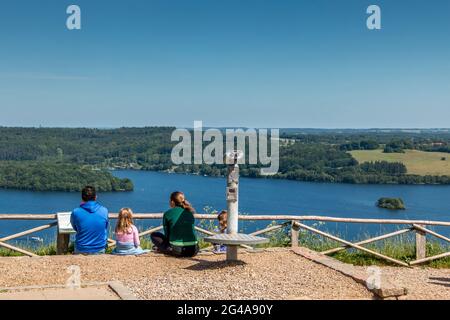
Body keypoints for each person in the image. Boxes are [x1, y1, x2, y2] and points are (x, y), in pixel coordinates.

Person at [151, 191, 199, 257]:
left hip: (177, 251)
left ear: (172, 202)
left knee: (154, 235)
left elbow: (167, 234)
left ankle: (161, 249)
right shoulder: (190, 212)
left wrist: (163, 246)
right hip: (194, 250)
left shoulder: (168, 213)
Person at [70, 186, 109, 255]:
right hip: (99, 248)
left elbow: (75, 227)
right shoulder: (104, 210)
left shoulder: (75, 212)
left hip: (81, 248)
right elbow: (105, 227)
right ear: (95, 197)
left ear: (82, 198)